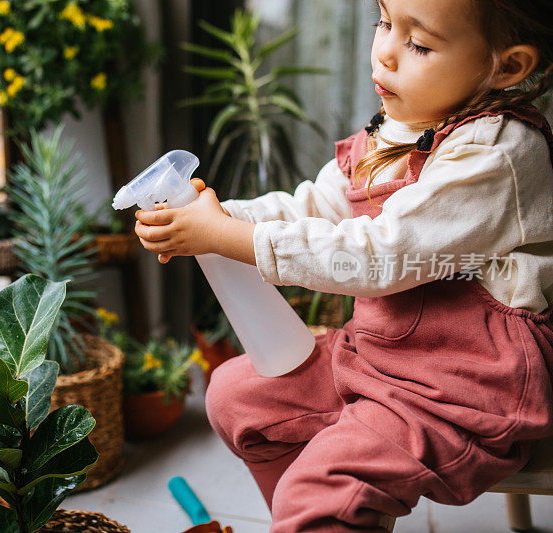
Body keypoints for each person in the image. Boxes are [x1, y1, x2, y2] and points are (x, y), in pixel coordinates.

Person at [134, 0, 553, 531]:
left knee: (319, 494)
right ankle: (313, 517)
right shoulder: (396, 129)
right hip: (380, 359)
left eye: (418, 44)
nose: (385, 52)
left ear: (506, 66)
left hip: (461, 386)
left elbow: (379, 254)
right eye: (383, 22)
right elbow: (313, 206)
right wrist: (216, 219)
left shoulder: (498, 152)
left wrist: (231, 237)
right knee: (236, 397)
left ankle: (317, 509)